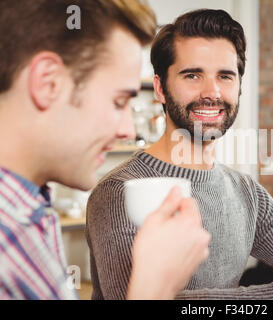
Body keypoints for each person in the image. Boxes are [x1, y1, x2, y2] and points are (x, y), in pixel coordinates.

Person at [86, 9, 273, 300]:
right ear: (160, 88)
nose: (211, 92)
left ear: (238, 87)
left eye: (225, 76)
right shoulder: (120, 192)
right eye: (192, 75)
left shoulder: (246, 192)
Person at [0, 0, 210, 300]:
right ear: (48, 83)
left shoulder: (30, 212)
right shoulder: (7, 242)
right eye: (118, 102)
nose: (128, 130)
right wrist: (153, 288)